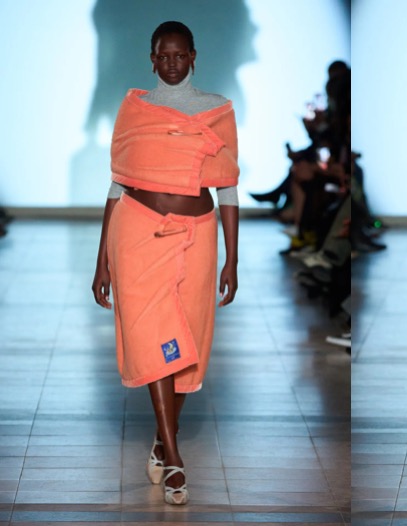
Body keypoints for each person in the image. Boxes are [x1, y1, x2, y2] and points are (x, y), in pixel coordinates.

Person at [91, 21, 239, 506]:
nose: (172, 63)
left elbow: (228, 187)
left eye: (180, 55)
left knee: (187, 342)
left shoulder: (217, 110)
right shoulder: (135, 110)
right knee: (154, 336)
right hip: (137, 230)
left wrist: (233, 258)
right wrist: (101, 260)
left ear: (193, 56)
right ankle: (174, 457)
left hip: (198, 235)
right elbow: (118, 183)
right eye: (163, 56)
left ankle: (161, 438)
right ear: (151, 59)